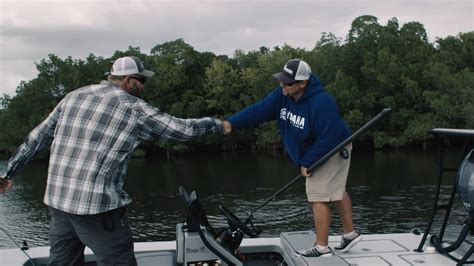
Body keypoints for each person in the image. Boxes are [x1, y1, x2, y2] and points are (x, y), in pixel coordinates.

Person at [0, 56, 223, 265]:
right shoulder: (134, 109)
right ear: (128, 81)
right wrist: (218, 124)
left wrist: (8, 173)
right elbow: (180, 130)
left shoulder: (74, 96)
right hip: (97, 209)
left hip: (59, 203)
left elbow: (37, 137)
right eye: (141, 80)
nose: (143, 86)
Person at [222, 59, 362, 257]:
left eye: (287, 83)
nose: (282, 85)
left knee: (318, 195)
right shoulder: (283, 96)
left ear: (302, 83)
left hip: (333, 148)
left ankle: (321, 248)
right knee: (335, 189)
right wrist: (233, 123)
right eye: (282, 81)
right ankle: (350, 234)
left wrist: (308, 162)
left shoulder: (322, 103)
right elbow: (258, 110)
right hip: (319, 148)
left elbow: (328, 138)